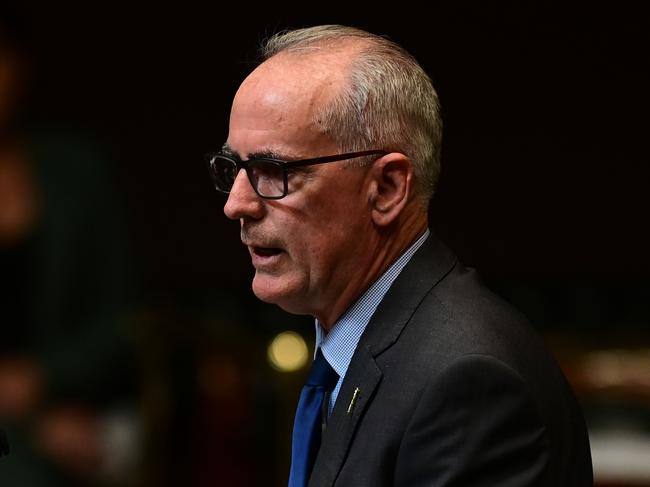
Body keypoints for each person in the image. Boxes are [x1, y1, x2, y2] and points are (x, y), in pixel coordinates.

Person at [207, 25, 593, 486]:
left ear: (386, 188)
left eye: (274, 171)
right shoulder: (357, 349)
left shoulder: (466, 384)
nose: (236, 205)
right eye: (234, 169)